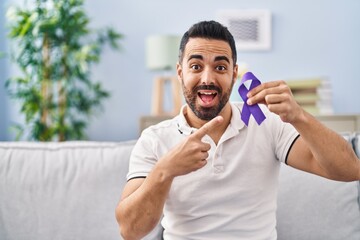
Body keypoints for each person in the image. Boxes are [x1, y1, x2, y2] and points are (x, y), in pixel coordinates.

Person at [115, 20, 360, 240]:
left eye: (220, 68)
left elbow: (350, 169)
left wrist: (298, 116)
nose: (208, 78)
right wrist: (165, 170)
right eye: (196, 66)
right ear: (180, 72)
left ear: (234, 74)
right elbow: (130, 230)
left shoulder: (266, 122)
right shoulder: (154, 139)